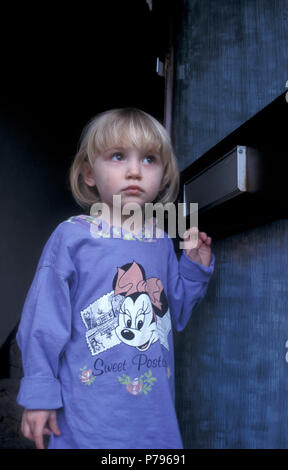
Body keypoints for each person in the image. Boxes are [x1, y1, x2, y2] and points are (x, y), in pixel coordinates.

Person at [16, 108, 215, 449]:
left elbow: (174, 315)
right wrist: (39, 393)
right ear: (89, 173)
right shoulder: (72, 237)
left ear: (164, 177)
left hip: (154, 420)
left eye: (149, 159)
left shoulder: (162, 242)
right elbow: (42, 323)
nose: (135, 171)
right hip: (86, 421)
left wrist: (194, 266)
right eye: (118, 156)